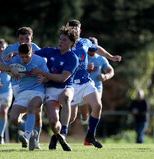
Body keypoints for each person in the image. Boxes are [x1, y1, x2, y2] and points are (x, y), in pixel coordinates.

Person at [63, 19, 121, 149]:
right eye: (70, 29)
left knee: (97, 105)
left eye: (76, 29)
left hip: (85, 82)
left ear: (80, 30)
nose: (73, 31)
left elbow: (97, 48)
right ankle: (60, 135)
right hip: (71, 85)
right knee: (71, 117)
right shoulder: (64, 44)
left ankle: (90, 135)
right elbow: (57, 61)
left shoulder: (85, 42)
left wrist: (111, 57)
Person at [29, 26, 79, 151]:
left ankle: (64, 132)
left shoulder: (72, 58)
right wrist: (14, 53)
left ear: (72, 43)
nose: (61, 42)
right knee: (52, 121)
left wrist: (43, 73)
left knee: (66, 97)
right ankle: (58, 136)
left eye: (64, 40)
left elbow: (63, 78)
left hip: (65, 87)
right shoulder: (49, 51)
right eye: (60, 39)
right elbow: (29, 55)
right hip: (50, 89)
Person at [0, 43, 49, 151]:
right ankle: (32, 133)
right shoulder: (15, 59)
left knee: (31, 108)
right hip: (22, 92)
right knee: (14, 119)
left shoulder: (39, 60)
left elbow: (48, 75)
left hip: (38, 91)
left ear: (32, 53)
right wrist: (10, 68)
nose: (24, 59)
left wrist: (43, 77)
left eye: (27, 56)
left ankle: (27, 137)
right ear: (19, 54)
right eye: (22, 57)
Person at [0, 26, 42, 149]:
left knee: (37, 113)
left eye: (27, 39)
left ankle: (35, 142)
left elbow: (42, 61)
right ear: (17, 39)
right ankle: (30, 132)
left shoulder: (36, 49)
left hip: (36, 85)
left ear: (31, 38)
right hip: (18, 84)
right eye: (21, 39)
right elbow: (0, 63)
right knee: (16, 118)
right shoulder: (10, 49)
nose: (24, 41)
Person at [69, 37, 115, 146]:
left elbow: (110, 70)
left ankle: (91, 134)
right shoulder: (82, 55)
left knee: (96, 105)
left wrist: (106, 76)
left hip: (96, 86)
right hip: (82, 85)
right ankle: (87, 135)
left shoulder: (101, 59)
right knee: (84, 113)